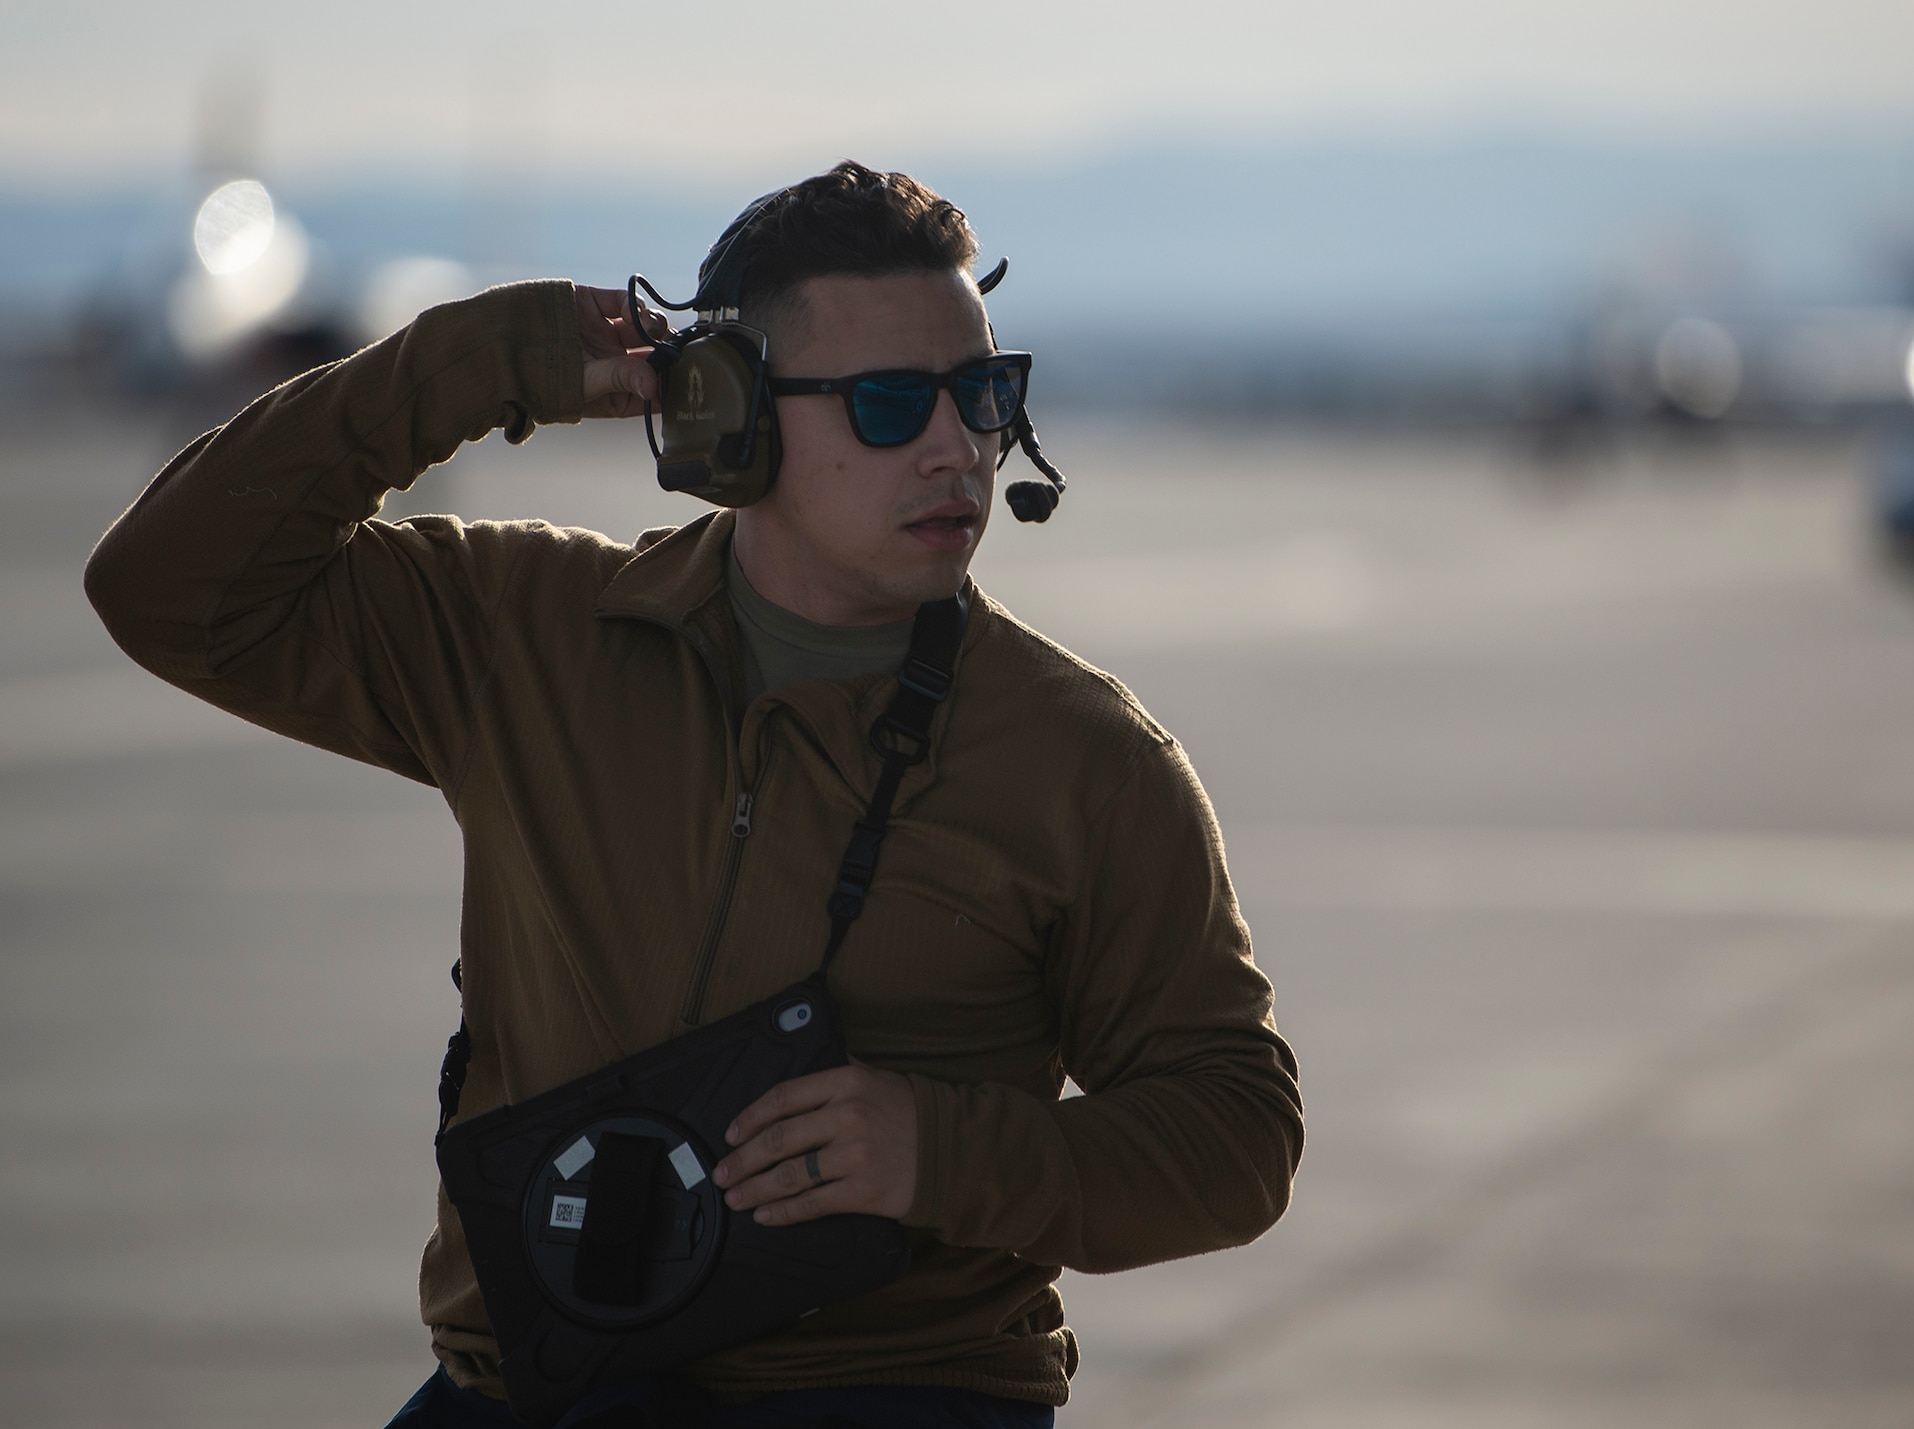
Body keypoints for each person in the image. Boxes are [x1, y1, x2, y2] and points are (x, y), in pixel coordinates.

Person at [84, 161, 1303, 1428]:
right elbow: (169, 587)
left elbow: (1235, 1133)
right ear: (734, 416)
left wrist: (939, 1151)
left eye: (983, 395)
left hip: (887, 1391)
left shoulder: (1082, 763)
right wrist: (470, 361)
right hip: (541, 1382)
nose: (959, 450)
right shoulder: (529, 635)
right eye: (890, 405)